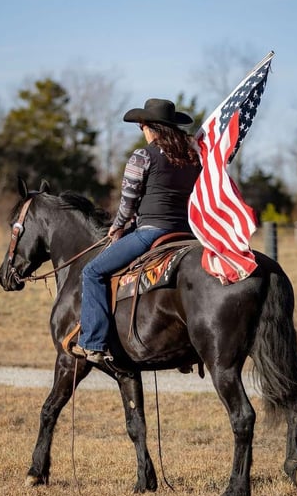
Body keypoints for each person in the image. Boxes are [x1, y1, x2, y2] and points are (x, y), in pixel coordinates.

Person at [71, 99, 201, 364]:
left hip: (152, 232)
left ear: (150, 127)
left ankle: (93, 343)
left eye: (142, 126)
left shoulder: (143, 157)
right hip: (187, 235)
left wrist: (118, 226)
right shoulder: (193, 158)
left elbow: (128, 202)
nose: (142, 131)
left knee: (92, 272)